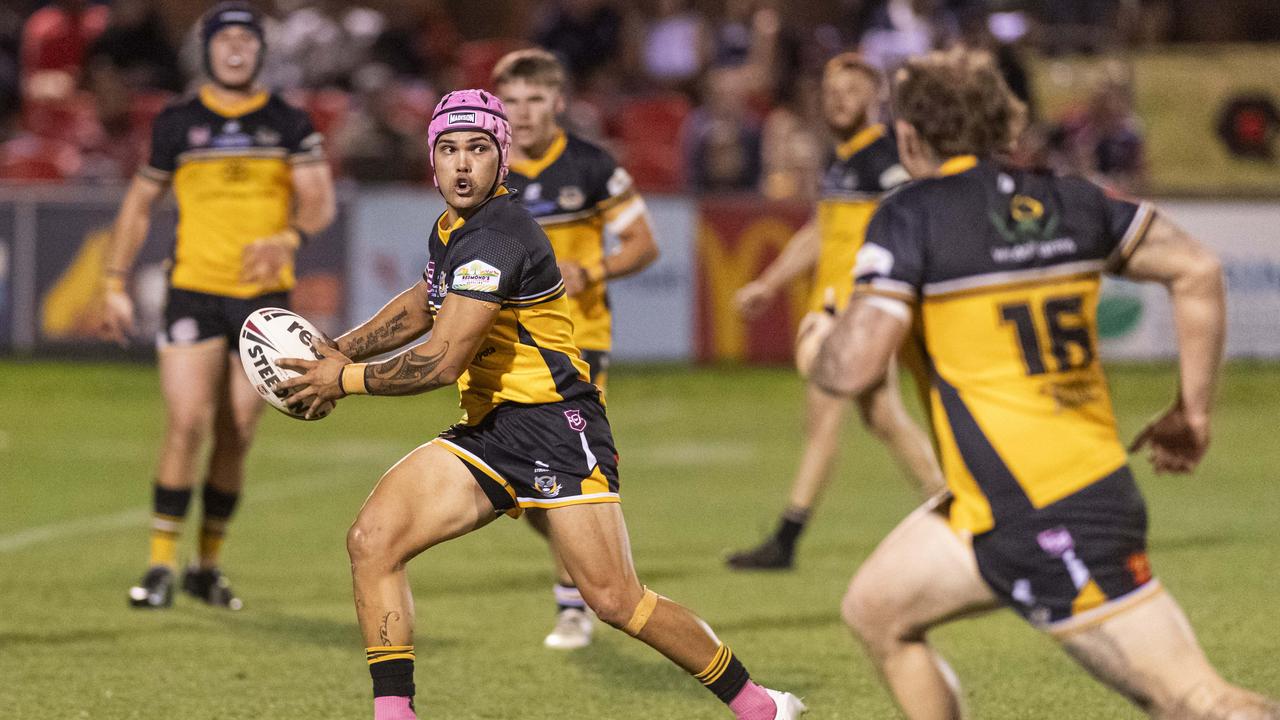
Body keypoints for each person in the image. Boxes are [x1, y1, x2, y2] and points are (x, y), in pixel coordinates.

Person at [275, 89, 806, 720]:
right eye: (448, 150)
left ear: (503, 160)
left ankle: (760, 706)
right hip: (491, 430)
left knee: (616, 602)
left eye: (478, 149)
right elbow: (424, 300)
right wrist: (338, 347)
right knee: (372, 540)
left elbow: (442, 359)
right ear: (433, 160)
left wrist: (345, 379)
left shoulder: (499, 237)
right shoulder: (454, 228)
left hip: (557, 426)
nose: (462, 164)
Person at [808, 47, 1280, 719]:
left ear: (909, 135)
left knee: (1197, 701)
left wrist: (823, 335)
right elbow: (1197, 268)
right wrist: (1193, 412)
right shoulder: (1069, 200)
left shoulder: (911, 216)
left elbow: (851, 369)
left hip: (1049, 515)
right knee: (876, 609)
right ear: (1004, 122)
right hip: (1004, 502)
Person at [98, 1, 335, 610]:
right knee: (186, 423)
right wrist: (113, 281)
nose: (236, 49)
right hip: (193, 291)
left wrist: (288, 237)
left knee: (238, 431)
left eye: (247, 41)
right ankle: (158, 568)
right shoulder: (177, 122)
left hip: (262, 302)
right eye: (224, 39)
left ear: (261, 51)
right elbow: (138, 206)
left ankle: (206, 566)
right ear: (207, 50)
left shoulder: (288, 121)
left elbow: (317, 202)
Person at [726, 53, 943, 571]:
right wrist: (769, 282)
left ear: (876, 100)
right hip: (847, 308)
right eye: (831, 91)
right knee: (883, 417)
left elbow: (920, 219)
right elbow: (822, 232)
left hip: (863, 309)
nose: (839, 99)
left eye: (851, 90)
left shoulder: (885, 158)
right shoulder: (845, 160)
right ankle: (952, 508)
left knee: (825, 411)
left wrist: (886, 302)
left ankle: (787, 536)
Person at [492, 46, 660, 650]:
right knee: (525, 488)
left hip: (577, 347)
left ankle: (573, 607)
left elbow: (644, 243)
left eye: (536, 99)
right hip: (507, 347)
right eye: (512, 101)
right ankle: (598, 551)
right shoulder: (489, 169)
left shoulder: (591, 167)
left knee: (562, 471)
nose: (524, 112)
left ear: (558, 103)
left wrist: (595, 269)